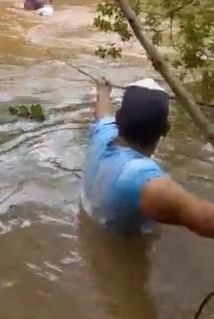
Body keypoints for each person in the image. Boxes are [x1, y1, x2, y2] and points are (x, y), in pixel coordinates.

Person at [83, 77, 214, 238]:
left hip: (92, 229)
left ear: (118, 118)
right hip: (127, 250)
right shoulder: (141, 179)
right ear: (165, 130)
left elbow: (102, 112)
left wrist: (103, 90)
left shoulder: (103, 133)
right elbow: (206, 220)